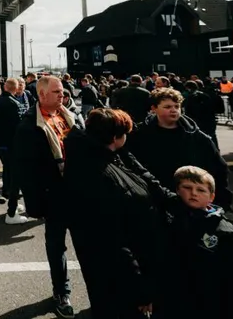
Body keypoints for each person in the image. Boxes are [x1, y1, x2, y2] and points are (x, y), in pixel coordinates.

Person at [64, 108, 172, 319]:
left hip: (114, 270)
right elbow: (113, 241)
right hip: (120, 277)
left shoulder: (104, 155)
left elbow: (144, 176)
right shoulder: (101, 173)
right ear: (114, 137)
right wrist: (141, 290)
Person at [13, 76, 75, 319]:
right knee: (57, 245)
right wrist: (36, 203)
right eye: (57, 91)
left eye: (63, 91)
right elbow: (24, 170)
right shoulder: (29, 125)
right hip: (55, 195)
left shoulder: (69, 115)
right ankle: (62, 291)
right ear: (41, 95)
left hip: (79, 190)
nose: (63, 95)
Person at [164, 166, 233, 319]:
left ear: (211, 197)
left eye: (201, 190)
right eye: (187, 187)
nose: (193, 193)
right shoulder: (167, 220)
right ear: (177, 191)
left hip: (210, 308)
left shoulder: (227, 234)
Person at [127, 88, 233, 208]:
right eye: (167, 107)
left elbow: (219, 167)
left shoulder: (196, 136)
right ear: (154, 108)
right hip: (154, 198)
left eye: (176, 106)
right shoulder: (139, 135)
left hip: (190, 199)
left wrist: (219, 198)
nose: (173, 110)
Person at [0, 77, 24, 213]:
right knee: (13, 171)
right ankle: (12, 200)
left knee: (7, 168)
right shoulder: (14, 103)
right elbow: (18, 125)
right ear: (15, 89)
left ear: (5, 87)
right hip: (11, 142)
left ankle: (7, 192)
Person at [182, 80, 219, 149]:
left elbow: (188, 110)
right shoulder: (209, 94)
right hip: (210, 119)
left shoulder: (190, 97)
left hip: (197, 120)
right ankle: (215, 150)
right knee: (212, 136)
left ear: (188, 88)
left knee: (199, 137)